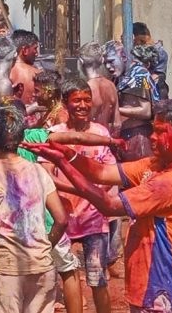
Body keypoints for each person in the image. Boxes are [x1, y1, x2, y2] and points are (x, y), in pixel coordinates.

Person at [28, 95, 172, 313]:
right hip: (153, 294)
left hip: (166, 297)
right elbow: (102, 172)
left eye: (161, 131)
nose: (152, 137)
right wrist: (68, 154)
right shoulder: (156, 166)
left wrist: (61, 162)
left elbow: (108, 204)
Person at [0, 104, 68, 313]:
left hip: (6, 270)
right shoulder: (38, 170)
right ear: (20, 138)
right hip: (42, 267)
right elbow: (61, 219)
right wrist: (46, 246)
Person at [48, 77, 114, 313]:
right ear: (66, 103)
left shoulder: (100, 133)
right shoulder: (54, 135)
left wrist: (95, 196)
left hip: (94, 219)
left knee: (97, 279)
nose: (83, 105)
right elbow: (47, 177)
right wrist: (78, 191)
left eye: (87, 99)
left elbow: (109, 173)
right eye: (77, 100)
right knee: (68, 275)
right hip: (62, 218)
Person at [103, 40, 157, 161]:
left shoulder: (139, 75)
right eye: (105, 63)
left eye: (111, 61)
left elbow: (146, 111)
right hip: (125, 136)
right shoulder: (120, 77)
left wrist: (115, 109)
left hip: (139, 136)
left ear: (123, 57)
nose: (107, 66)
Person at [78, 42, 118, 129]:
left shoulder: (84, 89)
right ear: (102, 60)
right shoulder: (111, 86)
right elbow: (117, 123)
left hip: (89, 138)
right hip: (107, 138)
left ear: (81, 62)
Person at [10, 30, 42, 106]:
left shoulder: (2, 74)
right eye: (35, 48)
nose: (37, 53)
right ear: (25, 50)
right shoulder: (38, 75)